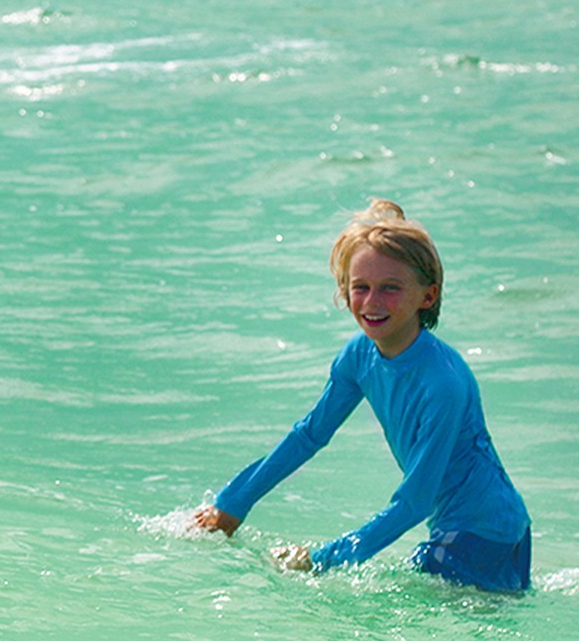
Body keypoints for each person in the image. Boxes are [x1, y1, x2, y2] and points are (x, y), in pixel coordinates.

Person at [193, 199, 531, 592]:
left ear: (428, 295)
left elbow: (415, 502)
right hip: (486, 530)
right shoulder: (359, 356)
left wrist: (321, 561)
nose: (372, 302)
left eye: (390, 288)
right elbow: (308, 436)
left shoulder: (443, 384)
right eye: (361, 287)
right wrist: (232, 505)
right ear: (344, 291)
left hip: (481, 534)